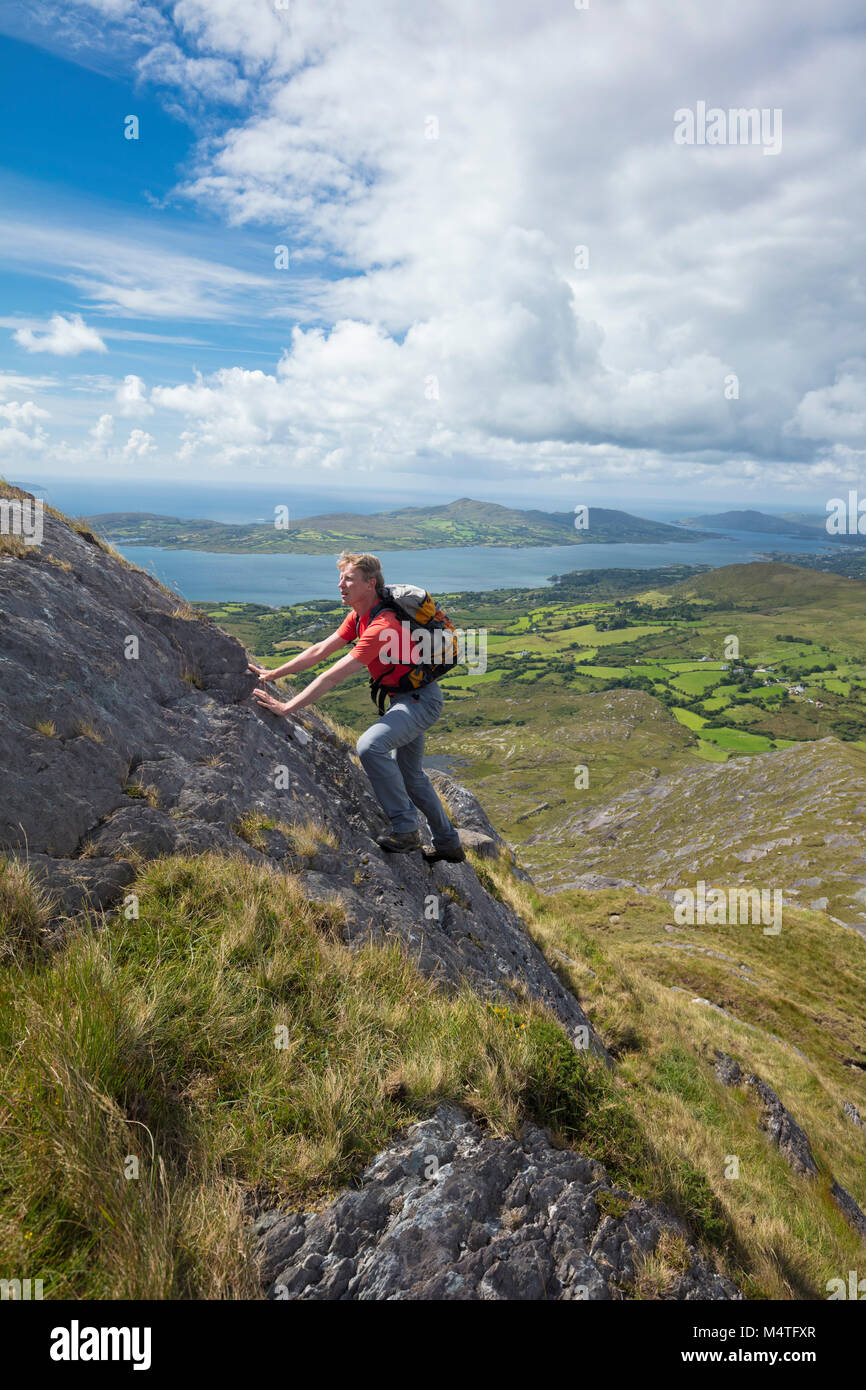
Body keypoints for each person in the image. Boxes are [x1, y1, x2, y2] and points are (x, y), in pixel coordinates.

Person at [250, 551, 465, 862]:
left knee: (370, 746)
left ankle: (405, 830)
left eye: (348, 579)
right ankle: (448, 844)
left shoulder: (383, 625)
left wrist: (286, 708)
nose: (340, 584)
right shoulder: (361, 615)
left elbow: (330, 677)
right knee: (412, 776)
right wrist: (273, 673)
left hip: (420, 702)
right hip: (407, 699)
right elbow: (321, 650)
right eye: (341, 578)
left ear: (370, 584)